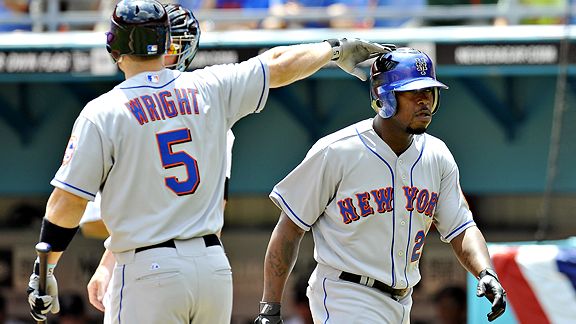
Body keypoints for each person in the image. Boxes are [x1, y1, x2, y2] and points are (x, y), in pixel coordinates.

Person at [25, 0, 392, 322]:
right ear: (169, 44)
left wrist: (46, 268)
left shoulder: (103, 111)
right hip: (212, 271)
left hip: (146, 270)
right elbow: (278, 63)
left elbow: (68, 203)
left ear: (114, 47)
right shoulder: (209, 86)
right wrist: (335, 49)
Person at [254, 47, 507, 323]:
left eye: (429, 92)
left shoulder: (437, 155)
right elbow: (289, 229)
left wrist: (486, 271)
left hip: (402, 302)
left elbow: (461, 229)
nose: (424, 101)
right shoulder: (337, 151)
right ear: (384, 96)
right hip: (345, 295)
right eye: (413, 92)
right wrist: (271, 308)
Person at [79, 3, 236, 240]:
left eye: (169, 47)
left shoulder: (209, 107)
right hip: (165, 248)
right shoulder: (121, 107)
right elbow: (91, 222)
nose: (158, 53)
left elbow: (216, 212)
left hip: (172, 246)